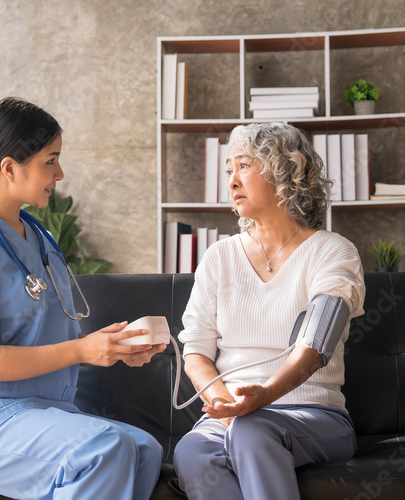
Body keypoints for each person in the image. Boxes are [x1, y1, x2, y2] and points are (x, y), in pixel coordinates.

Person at [0, 97, 164, 499]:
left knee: (145, 449)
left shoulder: (42, 239)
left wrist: (111, 348)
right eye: (51, 160)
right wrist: (82, 350)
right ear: (10, 167)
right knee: (107, 449)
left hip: (37, 411)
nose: (60, 173)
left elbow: (48, 336)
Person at [172, 122, 366, 500]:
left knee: (253, 430)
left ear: (286, 171)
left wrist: (265, 395)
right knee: (192, 451)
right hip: (233, 414)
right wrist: (225, 405)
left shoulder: (333, 251)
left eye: (243, 166)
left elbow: (316, 342)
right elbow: (195, 351)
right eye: (229, 170)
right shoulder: (218, 258)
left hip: (313, 414)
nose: (231, 181)